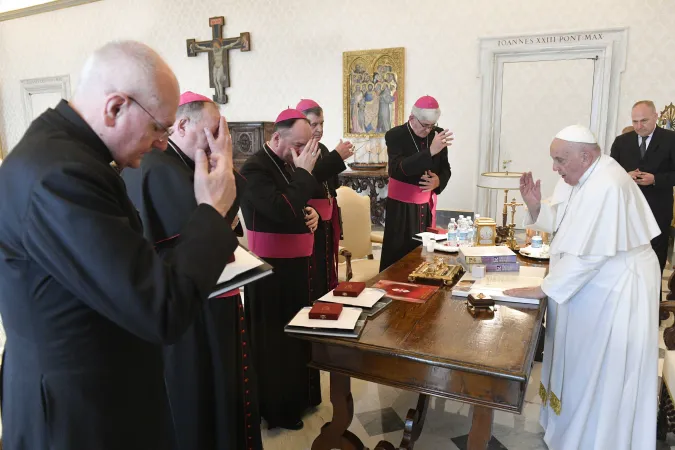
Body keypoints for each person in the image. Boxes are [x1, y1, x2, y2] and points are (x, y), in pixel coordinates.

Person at [0, 41, 237, 450]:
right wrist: (211, 211)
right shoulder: (59, 177)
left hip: (98, 395)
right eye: (158, 127)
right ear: (115, 107)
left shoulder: (65, 155)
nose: (164, 142)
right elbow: (161, 308)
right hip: (78, 417)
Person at [504, 125, 660, 450]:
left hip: (618, 289)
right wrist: (535, 206)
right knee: (579, 363)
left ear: (585, 156)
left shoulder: (607, 184)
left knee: (601, 368)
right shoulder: (581, 178)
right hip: (594, 284)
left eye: (560, 160)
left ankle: (595, 440)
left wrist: (544, 288)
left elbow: (591, 253)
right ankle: (567, 430)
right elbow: (567, 224)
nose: (554, 168)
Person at [121, 91, 261, 450]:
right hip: (194, 306)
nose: (218, 139)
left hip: (202, 296)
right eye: (213, 131)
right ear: (182, 125)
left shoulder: (180, 161)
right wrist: (224, 163)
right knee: (204, 388)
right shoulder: (161, 167)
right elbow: (212, 232)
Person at [239, 108, 321, 430]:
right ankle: (279, 409)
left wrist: (310, 213)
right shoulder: (253, 169)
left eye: (305, 145)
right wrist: (303, 175)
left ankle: (303, 398)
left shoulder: (288, 164)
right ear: (276, 137)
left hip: (298, 267)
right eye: (297, 144)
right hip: (271, 273)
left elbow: (296, 204)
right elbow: (280, 209)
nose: (301, 152)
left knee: (299, 333)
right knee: (277, 341)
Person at [379, 95, 453, 271]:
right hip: (401, 210)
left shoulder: (437, 133)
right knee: (399, 257)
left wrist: (438, 181)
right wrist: (431, 150)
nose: (428, 131)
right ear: (412, 118)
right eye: (424, 125)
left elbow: (446, 168)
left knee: (425, 254)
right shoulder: (395, 135)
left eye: (431, 126)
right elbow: (398, 169)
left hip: (425, 207)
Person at [610, 100, 675, 277]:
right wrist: (625, 175)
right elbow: (608, 173)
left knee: (655, 256)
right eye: (635, 121)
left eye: (644, 121)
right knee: (625, 255)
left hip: (658, 209)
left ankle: (652, 300)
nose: (639, 126)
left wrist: (656, 179)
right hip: (627, 210)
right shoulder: (621, 141)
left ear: (655, 117)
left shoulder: (671, 139)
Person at [296, 98, 353, 299]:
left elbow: (331, 188)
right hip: (312, 221)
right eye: (314, 124)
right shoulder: (297, 152)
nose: (319, 129)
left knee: (328, 267)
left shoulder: (324, 150)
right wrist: (336, 158)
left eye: (322, 123)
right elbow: (307, 180)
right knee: (315, 272)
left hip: (327, 222)